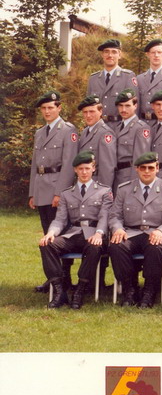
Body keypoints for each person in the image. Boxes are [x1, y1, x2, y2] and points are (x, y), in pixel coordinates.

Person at [38, 151, 113, 309]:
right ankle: (59, 291)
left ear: (93, 168)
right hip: (73, 234)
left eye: (87, 168)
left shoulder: (104, 191)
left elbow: (105, 217)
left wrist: (99, 233)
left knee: (95, 247)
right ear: (75, 170)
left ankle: (80, 290)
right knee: (47, 245)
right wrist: (51, 233)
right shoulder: (67, 194)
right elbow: (60, 219)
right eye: (80, 169)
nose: (84, 172)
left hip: (94, 233)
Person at [108, 152, 162, 308]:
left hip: (157, 232)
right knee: (116, 246)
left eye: (151, 168)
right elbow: (114, 215)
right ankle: (129, 289)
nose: (147, 171)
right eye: (143, 168)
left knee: (155, 248)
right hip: (131, 232)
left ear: (157, 168)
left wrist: (161, 231)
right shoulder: (124, 189)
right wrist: (118, 229)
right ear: (137, 169)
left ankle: (149, 290)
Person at [29, 91, 79, 268]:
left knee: (60, 234)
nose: (47, 111)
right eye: (43, 108)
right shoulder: (39, 133)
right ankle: (53, 275)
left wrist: (60, 193)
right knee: (47, 233)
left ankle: (64, 275)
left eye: (50, 107)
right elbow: (35, 165)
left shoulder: (68, 130)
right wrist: (32, 193)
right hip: (41, 188)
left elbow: (69, 164)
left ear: (59, 108)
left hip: (56, 188)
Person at [85, 39, 138, 127]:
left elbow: (134, 107)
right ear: (102, 55)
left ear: (119, 55)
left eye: (114, 52)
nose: (110, 55)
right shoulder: (93, 78)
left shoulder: (128, 76)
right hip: (97, 127)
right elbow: (88, 107)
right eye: (106, 52)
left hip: (119, 127)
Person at [76, 95, 117, 189]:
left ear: (100, 111)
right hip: (84, 184)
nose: (88, 115)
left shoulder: (105, 133)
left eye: (92, 111)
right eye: (85, 112)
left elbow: (107, 168)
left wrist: (102, 191)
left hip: (97, 185)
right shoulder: (84, 132)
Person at [113, 90, 152, 190]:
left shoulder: (141, 128)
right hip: (116, 177)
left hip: (129, 177)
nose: (123, 109)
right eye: (121, 106)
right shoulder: (117, 128)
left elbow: (140, 160)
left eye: (127, 106)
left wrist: (135, 185)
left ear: (135, 106)